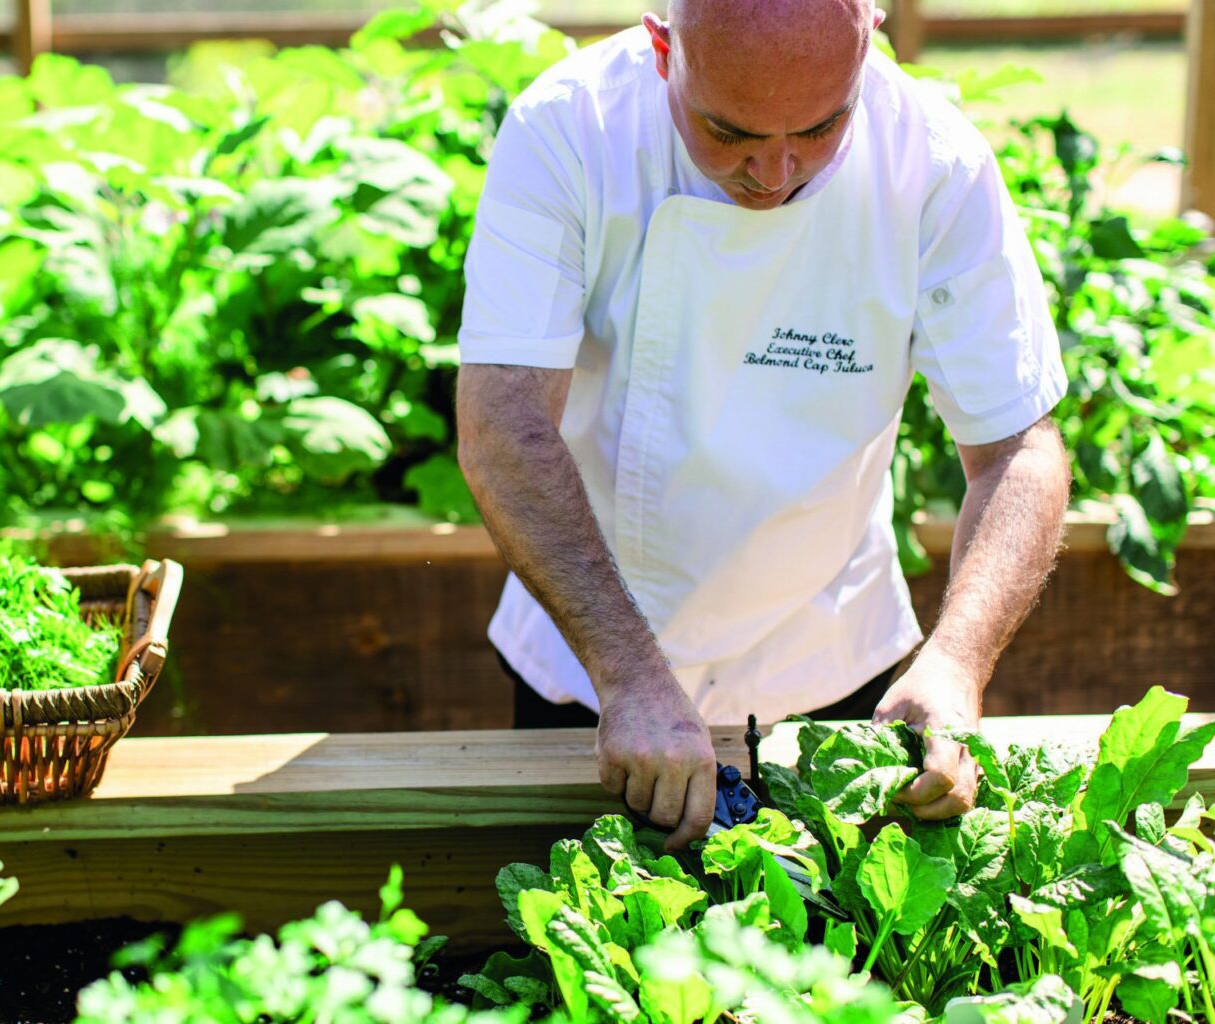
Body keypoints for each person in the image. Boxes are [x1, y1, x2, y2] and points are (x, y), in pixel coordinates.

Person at [454, 0, 1072, 853]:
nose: (776, 173)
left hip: (826, 656)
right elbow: (504, 426)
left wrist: (958, 661)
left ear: (870, 45)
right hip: (588, 671)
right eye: (729, 132)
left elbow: (1017, 449)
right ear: (663, 46)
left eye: (822, 127)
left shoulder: (936, 162)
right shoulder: (569, 129)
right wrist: (628, 674)